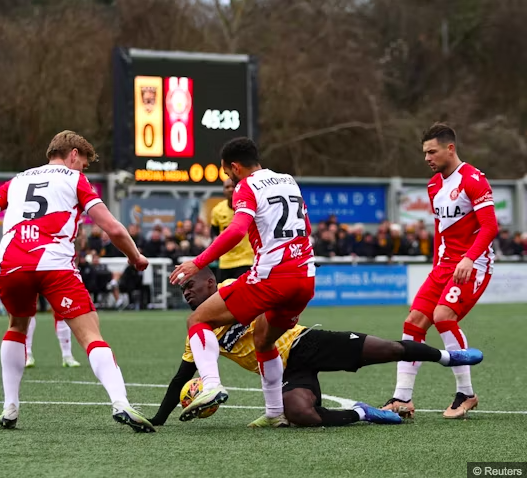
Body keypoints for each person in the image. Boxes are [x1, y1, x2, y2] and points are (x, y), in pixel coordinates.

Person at [0, 130, 155, 433]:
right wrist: (135, 256)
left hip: (12, 264)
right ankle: (120, 402)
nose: (83, 169)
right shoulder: (74, 179)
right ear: (73, 154)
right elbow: (113, 229)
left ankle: (10, 407)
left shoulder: (18, 180)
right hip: (54, 265)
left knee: (16, 327)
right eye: (84, 163)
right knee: (91, 334)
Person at [150, 268, 483, 428]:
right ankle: (362, 412)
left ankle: (446, 356)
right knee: (299, 414)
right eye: (183, 293)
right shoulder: (199, 331)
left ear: (211, 283)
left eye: (190, 286)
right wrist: (158, 419)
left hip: (303, 343)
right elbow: (181, 377)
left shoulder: (233, 288)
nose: (187, 294)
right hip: (286, 373)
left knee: (387, 349)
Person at [170, 137, 316, 426]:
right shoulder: (288, 180)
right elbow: (306, 227)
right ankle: (275, 414)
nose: (229, 179)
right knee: (263, 340)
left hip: (271, 277)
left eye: (227, 173)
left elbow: (237, 231)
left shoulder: (246, 186)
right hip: (305, 277)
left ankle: (210, 385)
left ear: (235, 167)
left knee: (198, 320)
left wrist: (197, 262)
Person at [382, 123, 498, 419]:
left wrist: (469, 258)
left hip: (474, 264)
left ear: (450, 148)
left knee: (443, 316)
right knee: (413, 322)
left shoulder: (473, 179)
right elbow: (439, 229)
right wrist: (437, 265)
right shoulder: (434, 185)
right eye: (424, 152)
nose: (427, 158)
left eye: (432, 151)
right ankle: (402, 399)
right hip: (444, 266)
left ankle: (466, 393)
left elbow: (490, 226)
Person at [210, 178, 254, 282]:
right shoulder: (217, 210)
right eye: (227, 187)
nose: (230, 189)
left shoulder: (247, 207)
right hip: (225, 261)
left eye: (233, 186)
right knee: (222, 293)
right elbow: (214, 232)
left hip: (245, 260)